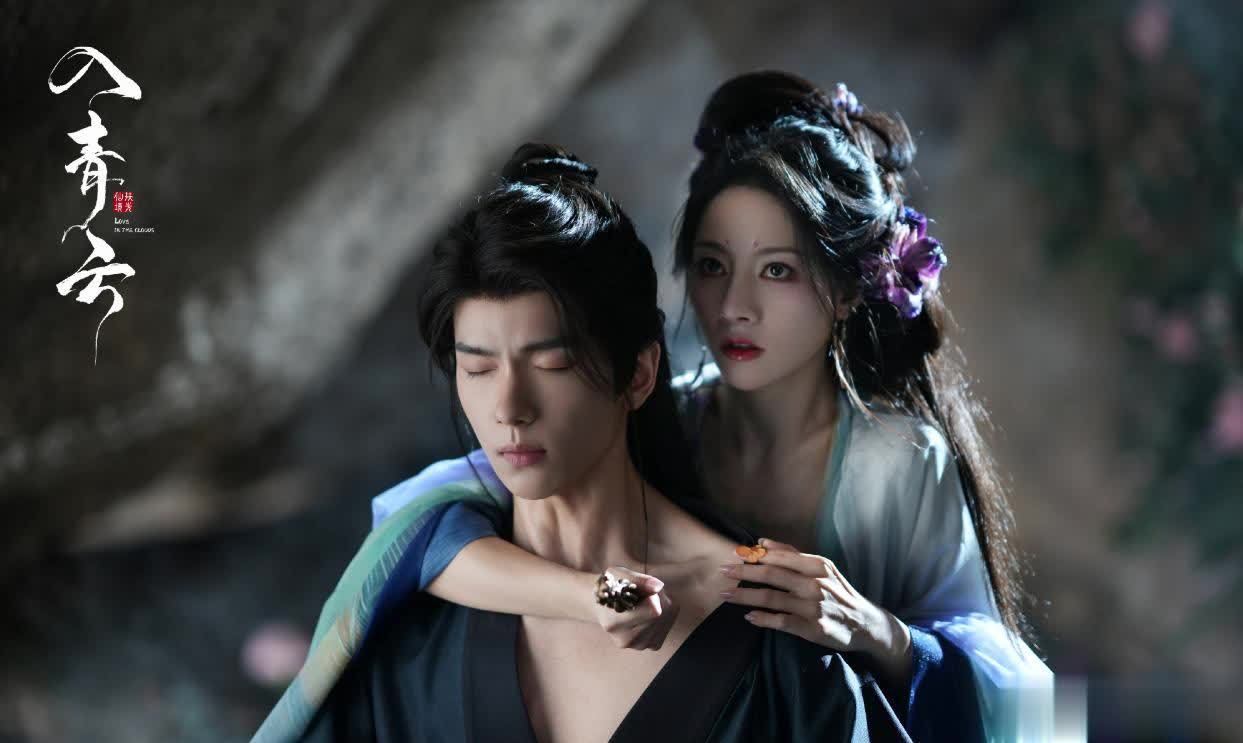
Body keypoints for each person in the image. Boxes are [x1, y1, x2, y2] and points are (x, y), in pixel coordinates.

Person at [362, 72, 1055, 741]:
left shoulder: (893, 462)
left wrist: (875, 630)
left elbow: (1020, 702)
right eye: (712, 265)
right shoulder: (652, 416)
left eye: (777, 270)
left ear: (847, 289)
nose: (734, 306)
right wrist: (585, 595)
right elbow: (418, 529)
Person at [253, 143, 906, 742]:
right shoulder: (413, 624)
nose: (509, 408)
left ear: (638, 374)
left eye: (552, 364)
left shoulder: (773, 629)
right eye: (477, 368)